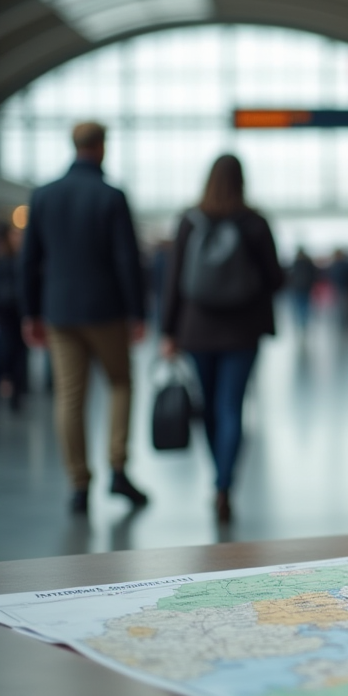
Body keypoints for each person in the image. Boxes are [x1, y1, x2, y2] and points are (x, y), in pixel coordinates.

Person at [19, 121, 148, 514]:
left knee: (70, 398)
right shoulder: (111, 195)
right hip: (105, 310)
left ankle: (79, 483)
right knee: (120, 382)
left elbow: (29, 261)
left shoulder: (43, 196)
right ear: (101, 147)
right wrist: (137, 312)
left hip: (59, 312)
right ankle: (118, 468)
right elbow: (127, 259)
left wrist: (31, 313)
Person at [160, 154, 283, 522]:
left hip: (196, 329)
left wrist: (168, 331)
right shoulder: (255, 222)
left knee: (209, 408)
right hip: (242, 330)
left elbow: (174, 281)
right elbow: (275, 278)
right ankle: (224, 485)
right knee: (232, 406)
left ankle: (218, 475)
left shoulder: (189, 220)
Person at [0, 221, 27, 411]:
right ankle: (13, 386)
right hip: (14, 308)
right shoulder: (16, 258)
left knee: (12, 348)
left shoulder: (14, 258)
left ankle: (13, 385)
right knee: (13, 349)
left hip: (12, 310)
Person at [287, 246, 317, 331]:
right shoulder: (308, 262)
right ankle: (304, 321)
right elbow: (313, 274)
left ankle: (300, 322)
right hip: (306, 286)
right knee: (305, 304)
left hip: (297, 287)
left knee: (299, 305)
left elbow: (292, 275)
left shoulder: (296, 262)